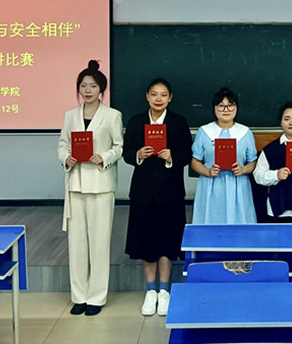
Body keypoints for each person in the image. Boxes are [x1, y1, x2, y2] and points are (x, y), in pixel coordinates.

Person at [57, 60, 123, 316]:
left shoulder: (112, 115)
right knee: (77, 244)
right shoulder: (70, 115)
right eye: (83, 86)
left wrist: (104, 157)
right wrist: (66, 158)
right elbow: (63, 144)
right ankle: (79, 296)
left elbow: (118, 146)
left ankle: (96, 297)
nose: (87, 90)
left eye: (93, 86)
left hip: (101, 185)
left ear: (101, 89)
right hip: (75, 184)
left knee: (99, 243)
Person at [123, 78, 192, 317]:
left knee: (167, 242)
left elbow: (187, 154)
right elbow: (126, 152)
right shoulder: (136, 122)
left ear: (170, 98)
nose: (158, 99)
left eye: (163, 95)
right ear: (147, 96)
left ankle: (164, 290)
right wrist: (138, 155)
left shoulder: (178, 122)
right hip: (143, 193)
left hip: (170, 192)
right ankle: (150, 290)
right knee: (147, 242)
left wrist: (172, 157)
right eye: (154, 94)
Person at [191, 87, 257, 224]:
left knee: (239, 226)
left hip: (238, 185)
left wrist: (243, 169)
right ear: (214, 108)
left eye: (230, 105)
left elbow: (252, 162)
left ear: (236, 108)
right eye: (221, 106)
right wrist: (208, 171)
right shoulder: (204, 131)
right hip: (210, 185)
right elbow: (195, 162)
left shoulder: (245, 132)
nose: (226, 110)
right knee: (209, 224)